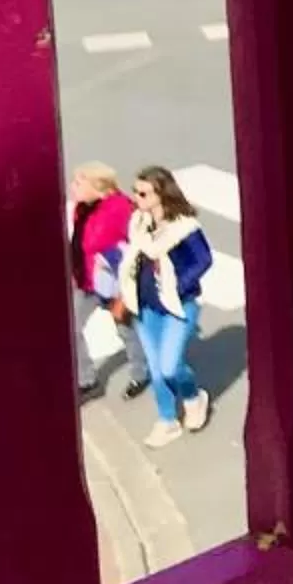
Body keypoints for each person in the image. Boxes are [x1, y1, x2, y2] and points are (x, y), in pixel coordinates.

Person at [120, 167, 214, 447]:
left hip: (178, 306)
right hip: (144, 304)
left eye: (143, 193)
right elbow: (134, 256)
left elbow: (203, 260)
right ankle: (167, 420)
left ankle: (194, 397)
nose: (136, 197)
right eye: (135, 191)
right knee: (156, 368)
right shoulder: (139, 222)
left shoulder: (184, 227)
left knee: (170, 366)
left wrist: (178, 286)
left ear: (161, 194)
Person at [66, 163, 139, 402]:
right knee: (71, 328)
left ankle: (141, 373)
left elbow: (136, 246)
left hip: (114, 284)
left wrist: (125, 288)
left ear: (98, 187)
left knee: (126, 331)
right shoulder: (82, 207)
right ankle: (87, 380)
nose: (72, 187)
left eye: (79, 183)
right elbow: (79, 242)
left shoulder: (121, 209)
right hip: (85, 280)